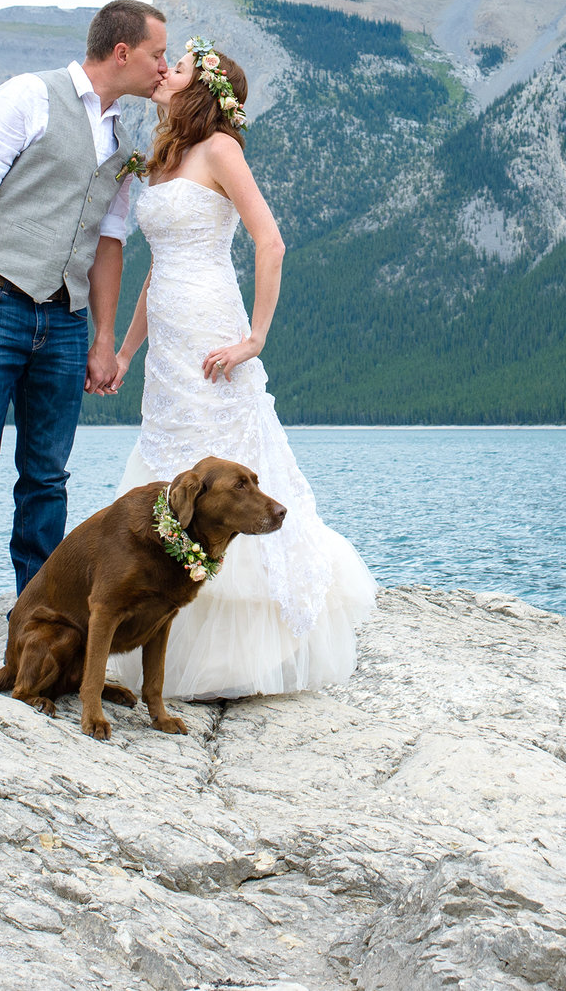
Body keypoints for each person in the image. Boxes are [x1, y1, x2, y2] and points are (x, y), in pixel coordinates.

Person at [109, 37, 376, 698]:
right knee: (169, 470)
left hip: (213, 330)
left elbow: (270, 238)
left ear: (204, 86)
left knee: (224, 470)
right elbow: (155, 272)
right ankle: (164, 622)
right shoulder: (165, 159)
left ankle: (238, 649)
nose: (166, 70)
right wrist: (124, 350)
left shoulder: (220, 149)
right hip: (169, 342)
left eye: (181, 66)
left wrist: (254, 336)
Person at [0, 0, 169, 663]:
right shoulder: (28, 97)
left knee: (46, 477)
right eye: (155, 53)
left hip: (64, 319)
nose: (162, 65)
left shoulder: (120, 143)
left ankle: (39, 622)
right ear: (121, 52)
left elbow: (108, 244)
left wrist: (104, 338)